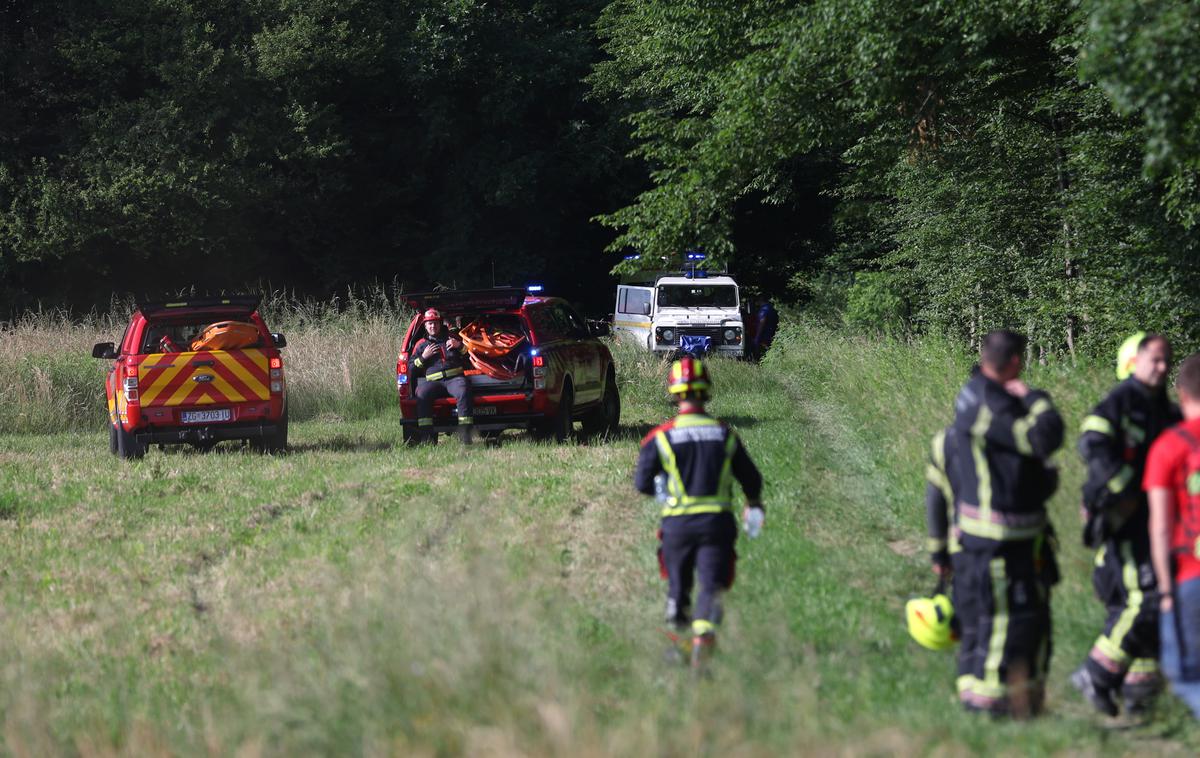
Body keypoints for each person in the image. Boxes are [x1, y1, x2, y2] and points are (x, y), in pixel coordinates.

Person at [948, 330, 1064, 717]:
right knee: (1000, 621)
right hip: (999, 538)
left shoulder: (973, 391)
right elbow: (1044, 437)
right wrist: (1035, 397)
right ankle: (986, 706)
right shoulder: (989, 403)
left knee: (994, 620)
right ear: (1015, 361)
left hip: (998, 533)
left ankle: (1000, 699)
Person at [1072, 333, 1179, 717]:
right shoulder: (1122, 401)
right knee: (1146, 597)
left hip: (1156, 521)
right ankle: (1096, 675)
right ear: (1135, 362)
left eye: (1168, 361)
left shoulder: (1166, 410)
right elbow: (1091, 443)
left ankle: (1140, 694)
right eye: (1155, 360)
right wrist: (1123, 491)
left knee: (1156, 601)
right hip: (1125, 521)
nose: (1163, 367)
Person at [633, 357, 764, 670]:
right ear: (706, 392)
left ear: (675, 394)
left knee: (678, 587)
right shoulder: (725, 435)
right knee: (711, 585)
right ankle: (703, 638)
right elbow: (752, 479)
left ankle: (675, 644)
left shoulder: (661, 437)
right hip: (716, 525)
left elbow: (642, 484)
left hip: (677, 527)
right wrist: (754, 503)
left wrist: (662, 490)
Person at [1145, 353, 1200, 719]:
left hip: (1189, 573)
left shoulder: (1170, 445)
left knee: (1184, 674)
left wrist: (1164, 590)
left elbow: (1161, 526)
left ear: (1180, 393)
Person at [411, 308, 474, 443]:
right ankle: (427, 440)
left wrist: (459, 346)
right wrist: (423, 357)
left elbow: (469, 356)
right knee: (422, 394)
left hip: (455, 379)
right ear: (425, 326)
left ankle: (465, 437)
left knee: (463, 390)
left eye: (435, 323)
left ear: (440, 323)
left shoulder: (453, 338)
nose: (433, 326)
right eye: (430, 324)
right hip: (433, 383)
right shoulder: (421, 345)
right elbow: (411, 368)